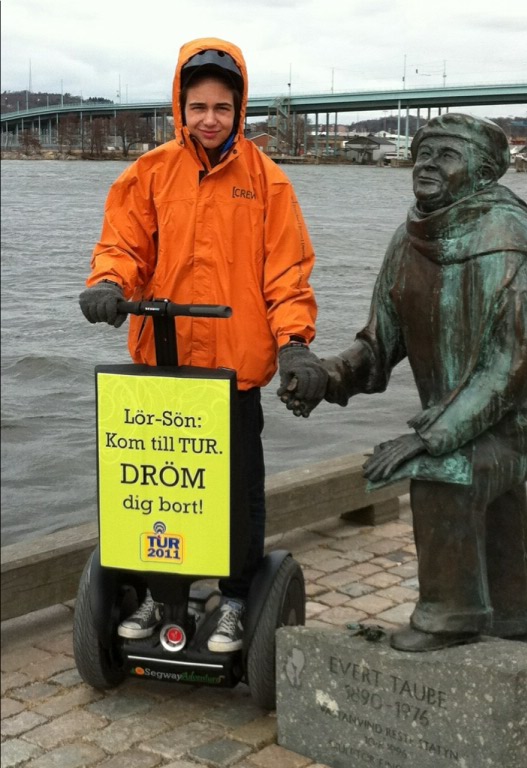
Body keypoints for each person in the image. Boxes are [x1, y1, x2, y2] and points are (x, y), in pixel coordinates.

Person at [279, 113, 527, 652]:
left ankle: (450, 615)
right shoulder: (408, 240)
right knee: (478, 477)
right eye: (423, 154)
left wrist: (428, 438)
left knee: (444, 474)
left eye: (446, 156)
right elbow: (378, 344)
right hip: (465, 412)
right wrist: (328, 376)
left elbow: (507, 370)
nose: (426, 165)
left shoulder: (511, 243)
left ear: (483, 174)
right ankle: (513, 610)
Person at [79, 37, 326, 652]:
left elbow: (287, 273)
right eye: (198, 107)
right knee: (161, 485)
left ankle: (237, 596)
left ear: (239, 110)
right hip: (163, 368)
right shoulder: (150, 173)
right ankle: (167, 593)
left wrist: (294, 343)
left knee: (238, 490)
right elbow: (124, 245)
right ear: (180, 109)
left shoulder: (268, 183)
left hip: (233, 371)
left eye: (221, 107)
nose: (209, 119)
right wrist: (109, 284)